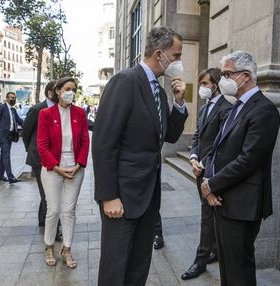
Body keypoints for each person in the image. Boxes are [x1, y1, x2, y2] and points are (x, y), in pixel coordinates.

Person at [92, 26, 188, 286]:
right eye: (176, 56)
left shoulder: (157, 88)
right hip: (121, 197)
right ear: (159, 54)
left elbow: (168, 136)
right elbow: (103, 144)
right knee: (116, 267)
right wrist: (108, 195)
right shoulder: (126, 81)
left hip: (147, 196)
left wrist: (180, 102)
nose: (179, 62)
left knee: (139, 264)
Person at [200, 51, 280, 286]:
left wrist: (211, 184)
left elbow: (248, 160)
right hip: (224, 198)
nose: (222, 80)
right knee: (228, 265)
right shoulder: (236, 106)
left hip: (242, 203)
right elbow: (219, 148)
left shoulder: (264, 109)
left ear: (245, 76)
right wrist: (209, 180)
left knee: (239, 269)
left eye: (227, 74)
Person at [181, 68, 232, 280]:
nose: (202, 87)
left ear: (216, 85)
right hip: (199, 170)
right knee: (208, 213)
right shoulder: (203, 110)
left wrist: (202, 163)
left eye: (205, 83)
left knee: (207, 216)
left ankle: (201, 260)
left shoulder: (226, 109)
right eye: (201, 82)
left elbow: (222, 143)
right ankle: (215, 251)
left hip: (213, 172)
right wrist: (193, 158)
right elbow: (197, 138)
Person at [37, 77, 89, 268]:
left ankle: (67, 248)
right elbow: (42, 145)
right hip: (53, 168)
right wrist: (57, 168)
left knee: (69, 211)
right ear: (57, 91)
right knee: (54, 210)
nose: (71, 92)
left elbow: (85, 141)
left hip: (75, 168)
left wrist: (79, 164)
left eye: (74, 89)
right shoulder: (46, 114)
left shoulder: (80, 113)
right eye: (67, 89)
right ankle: (49, 246)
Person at [21, 81, 63, 241]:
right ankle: (53, 229)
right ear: (51, 92)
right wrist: (31, 151)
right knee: (49, 194)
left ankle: (42, 220)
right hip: (39, 159)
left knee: (47, 192)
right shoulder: (38, 109)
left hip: (55, 158)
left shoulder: (62, 108)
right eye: (58, 90)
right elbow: (26, 133)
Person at [0, 92, 23, 184]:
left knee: (3, 155)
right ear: (7, 98)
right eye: (12, 98)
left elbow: (20, 121)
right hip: (1, 135)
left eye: (14, 98)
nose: (13, 99)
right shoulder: (1, 108)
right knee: (6, 155)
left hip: (10, 136)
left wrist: (30, 124)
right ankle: (10, 177)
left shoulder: (13, 110)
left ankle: (0, 176)